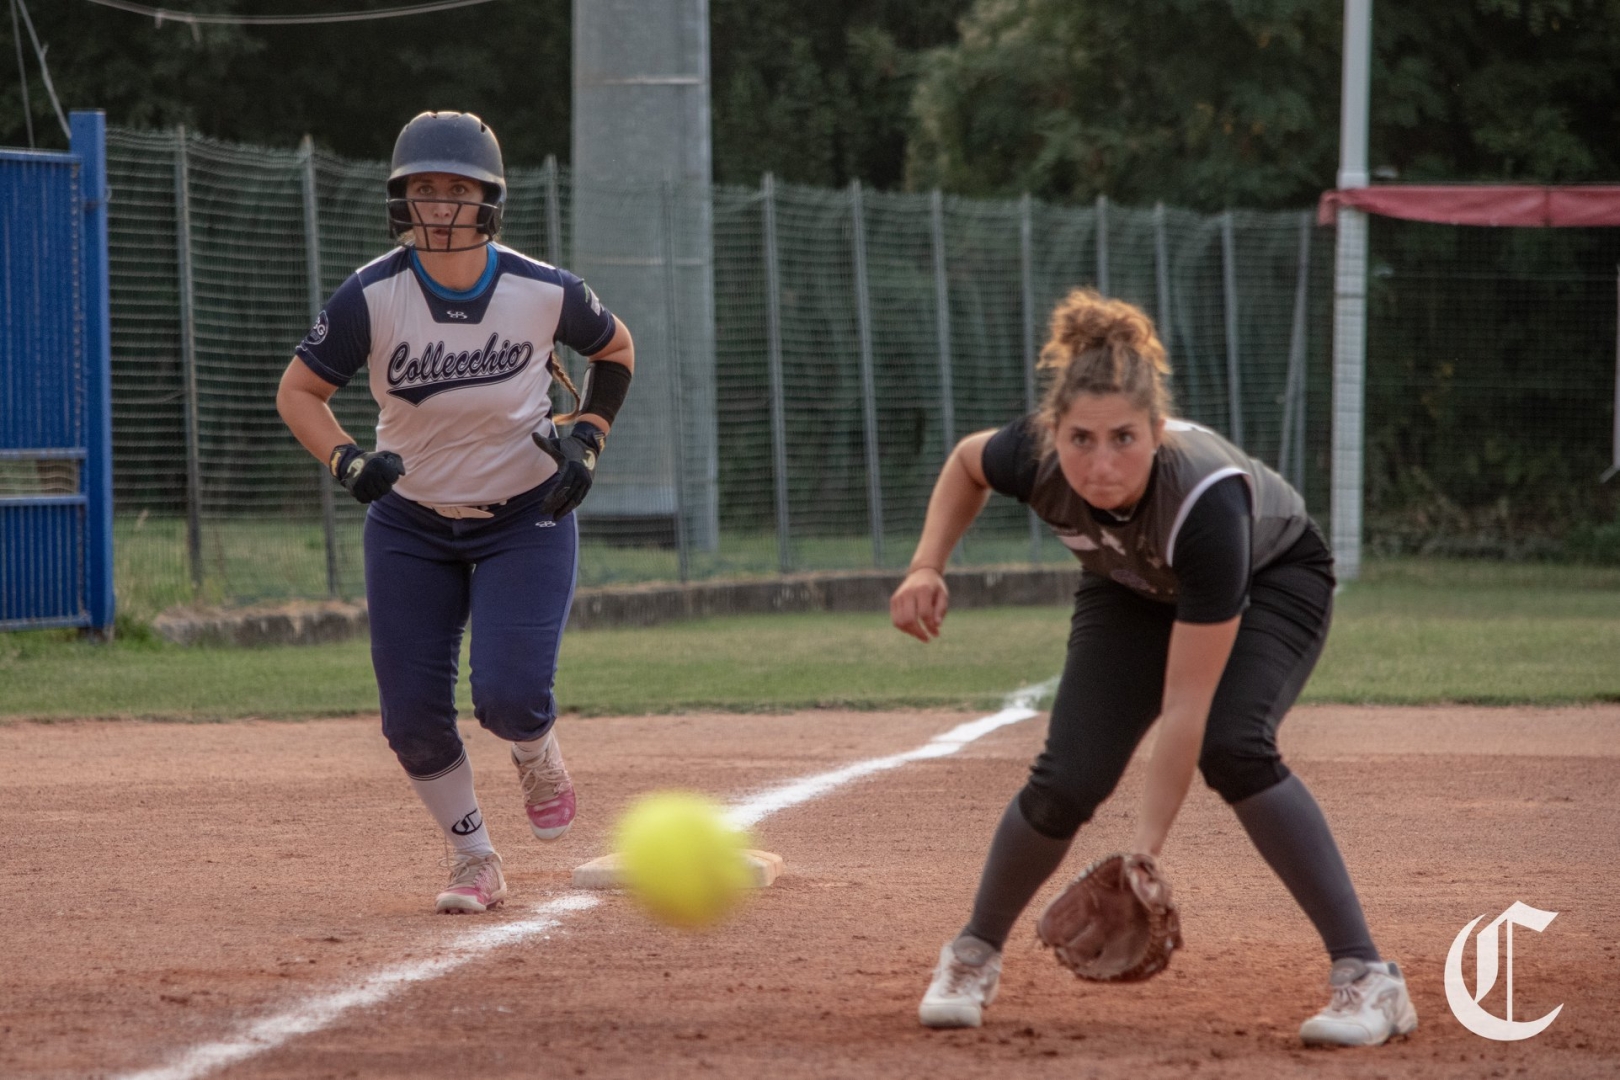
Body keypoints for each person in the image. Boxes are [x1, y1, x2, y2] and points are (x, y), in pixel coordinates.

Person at [891, 289, 1415, 1047]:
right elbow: (967, 462)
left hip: (1271, 578)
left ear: (1157, 432)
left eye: (1124, 439)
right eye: (1080, 439)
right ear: (1052, 433)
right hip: (1130, 583)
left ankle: (1369, 977)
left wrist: (1145, 851)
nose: (1101, 463)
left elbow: (1185, 709)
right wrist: (925, 566)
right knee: (1067, 777)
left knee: (1233, 744)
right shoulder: (1032, 455)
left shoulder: (1207, 505)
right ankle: (971, 955)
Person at [276, 111, 634, 914]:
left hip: (525, 514)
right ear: (402, 200)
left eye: (458, 190)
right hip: (410, 522)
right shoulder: (372, 294)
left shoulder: (542, 289)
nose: (440, 206)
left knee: (509, 696)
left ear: (488, 201)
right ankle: (474, 857)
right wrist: (347, 459)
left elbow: (615, 350)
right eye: (424, 189)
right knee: (410, 719)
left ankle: (536, 750)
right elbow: (299, 391)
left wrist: (588, 438)